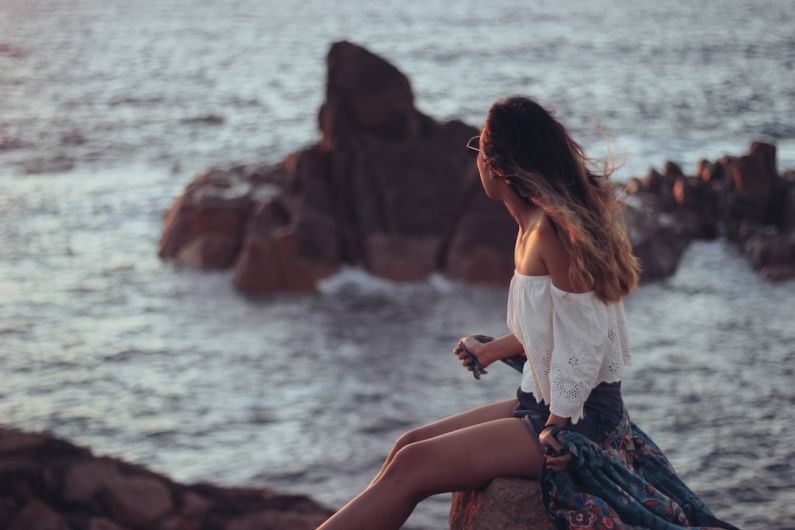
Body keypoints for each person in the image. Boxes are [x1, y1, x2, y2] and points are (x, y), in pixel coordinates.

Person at [316, 96, 738, 530]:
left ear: (498, 165)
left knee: (415, 466)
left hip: (580, 420)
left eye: (477, 147)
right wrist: (493, 349)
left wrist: (558, 429)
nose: (475, 159)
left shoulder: (552, 232)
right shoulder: (530, 230)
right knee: (410, 444)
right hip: (538, 401)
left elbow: (585, 342)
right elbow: (551, 327)